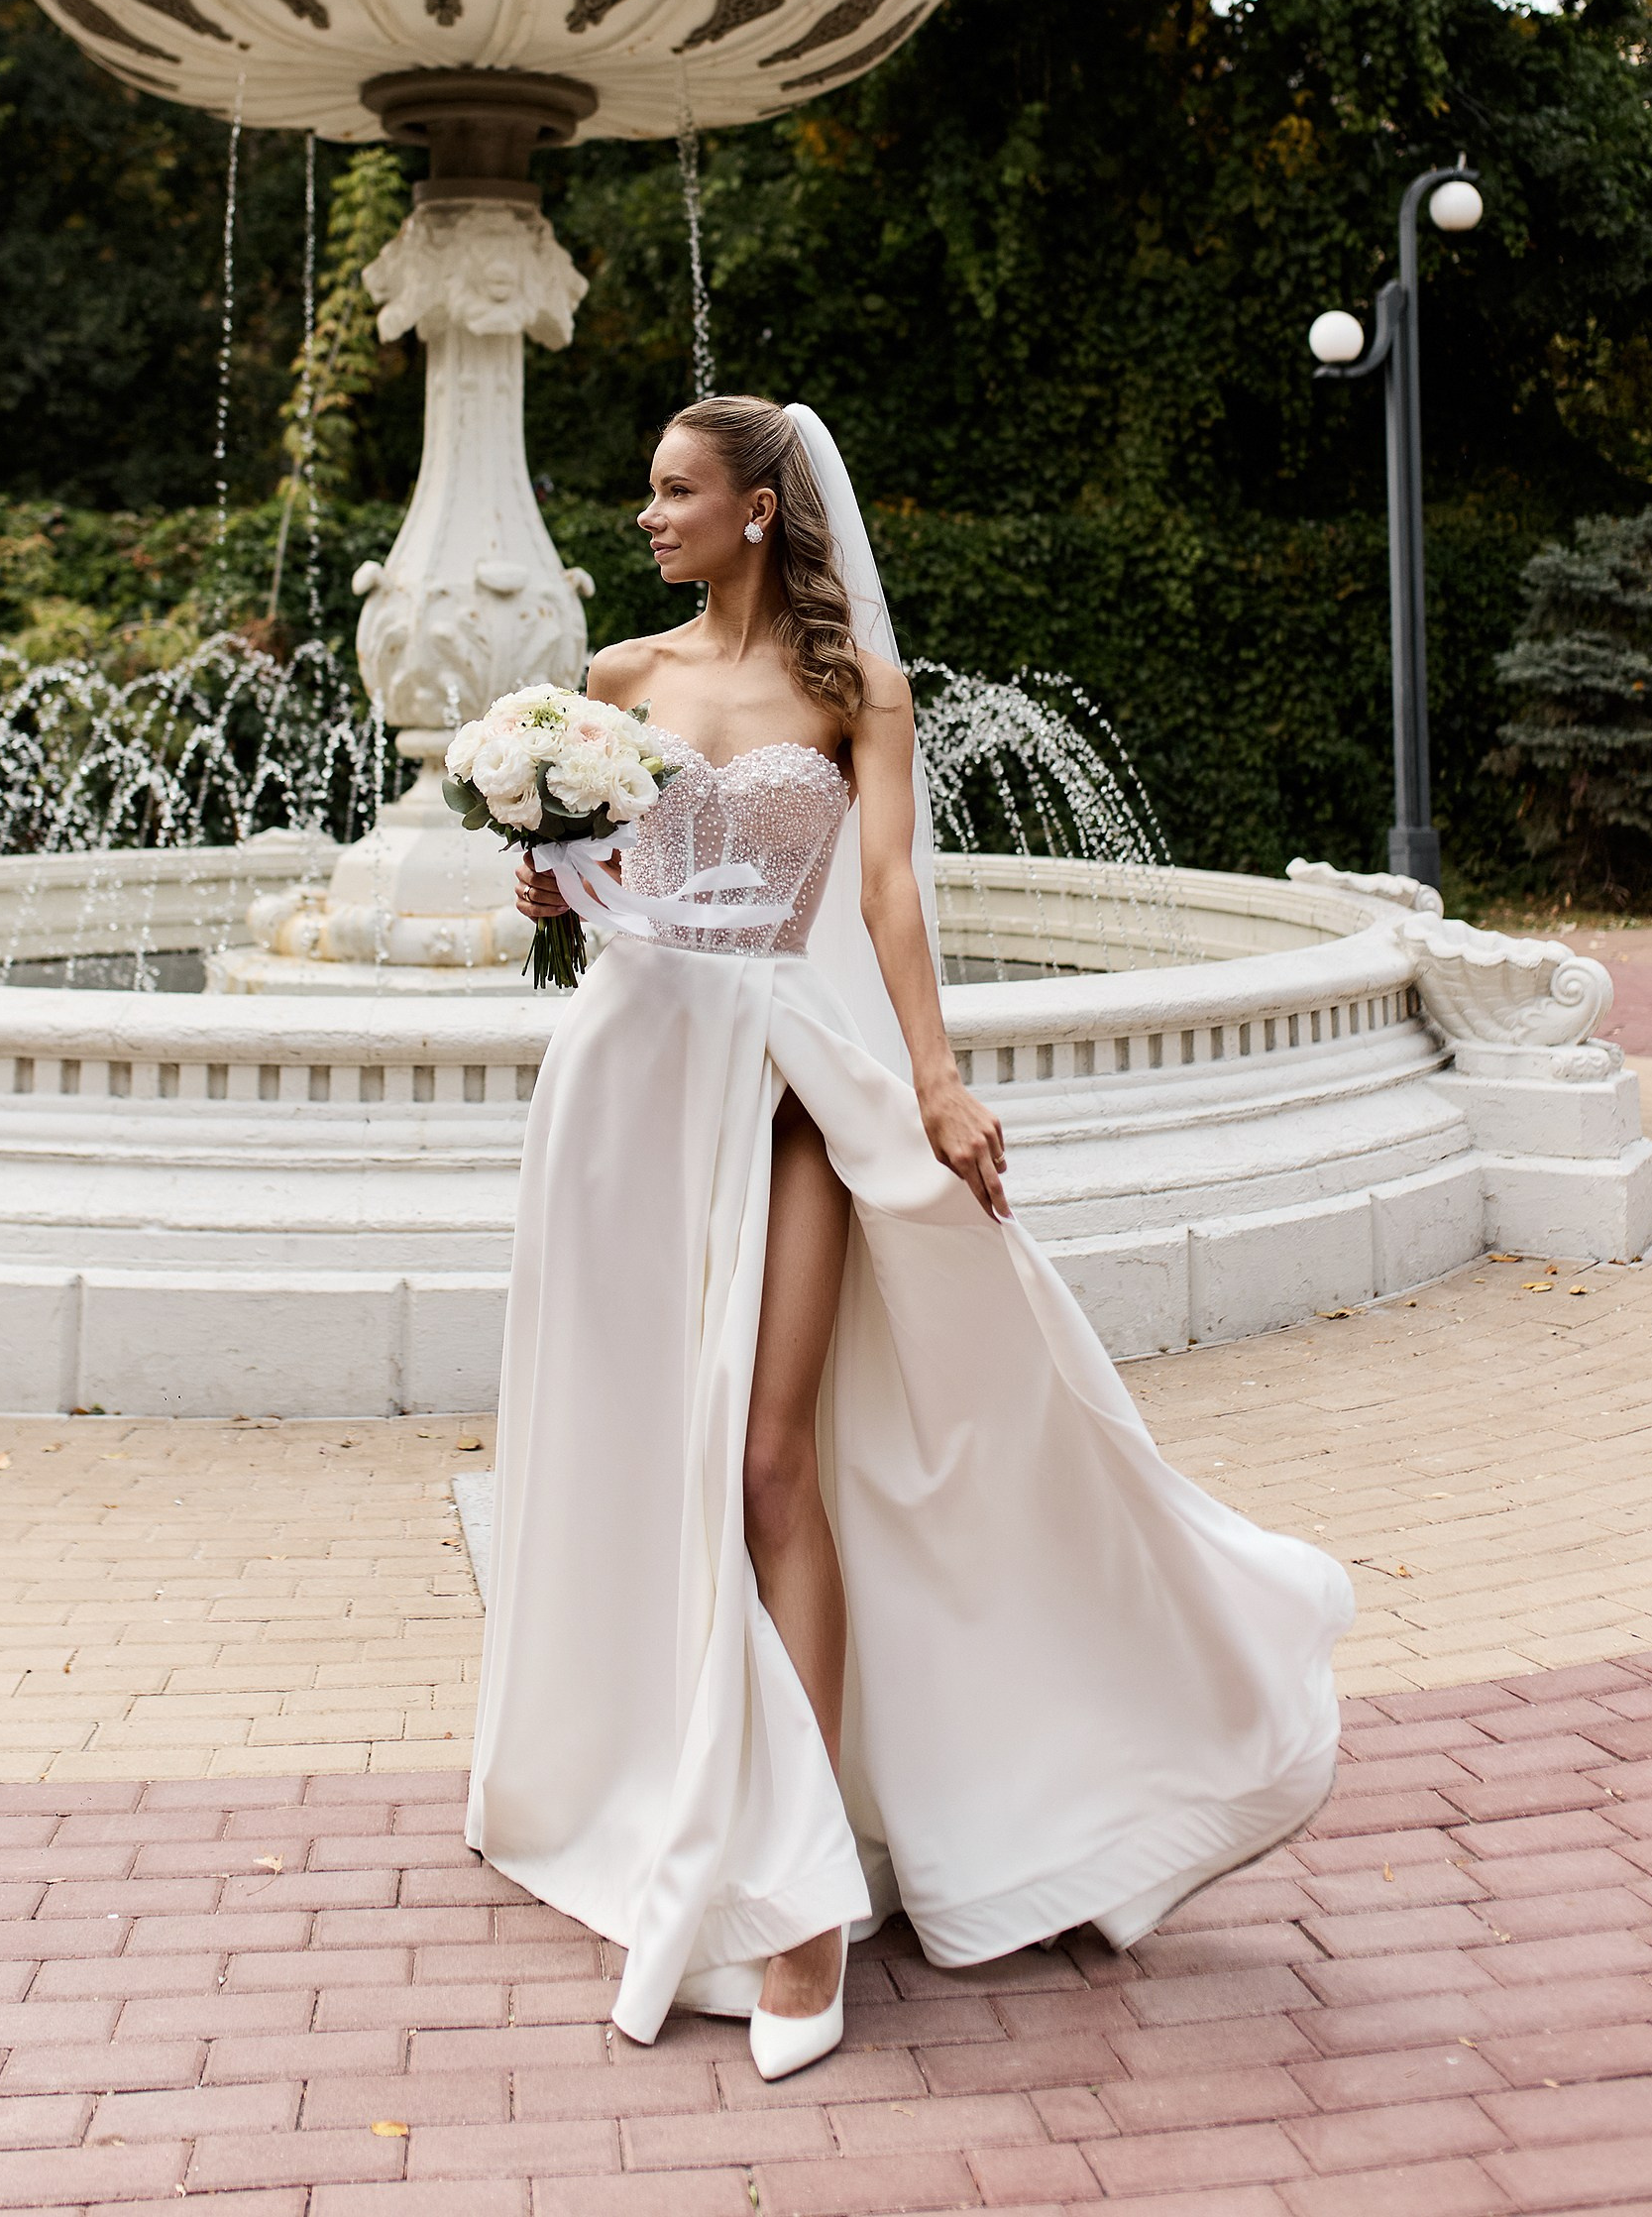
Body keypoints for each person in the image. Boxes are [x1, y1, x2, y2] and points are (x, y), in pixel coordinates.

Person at [465, 395, 1353, 2081]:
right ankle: (645, 1771)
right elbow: (596, 894)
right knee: (647, 1449)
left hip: (795, 1073)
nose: (645, 515)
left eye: (674, 491)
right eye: (647, 493)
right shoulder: (613, 685)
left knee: (773, 1462)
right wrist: (546, 888)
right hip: (628, 1092)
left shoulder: (861, 690)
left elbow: (887, 898)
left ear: (756, 509)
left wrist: (938, 1086)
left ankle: (800, 1895)